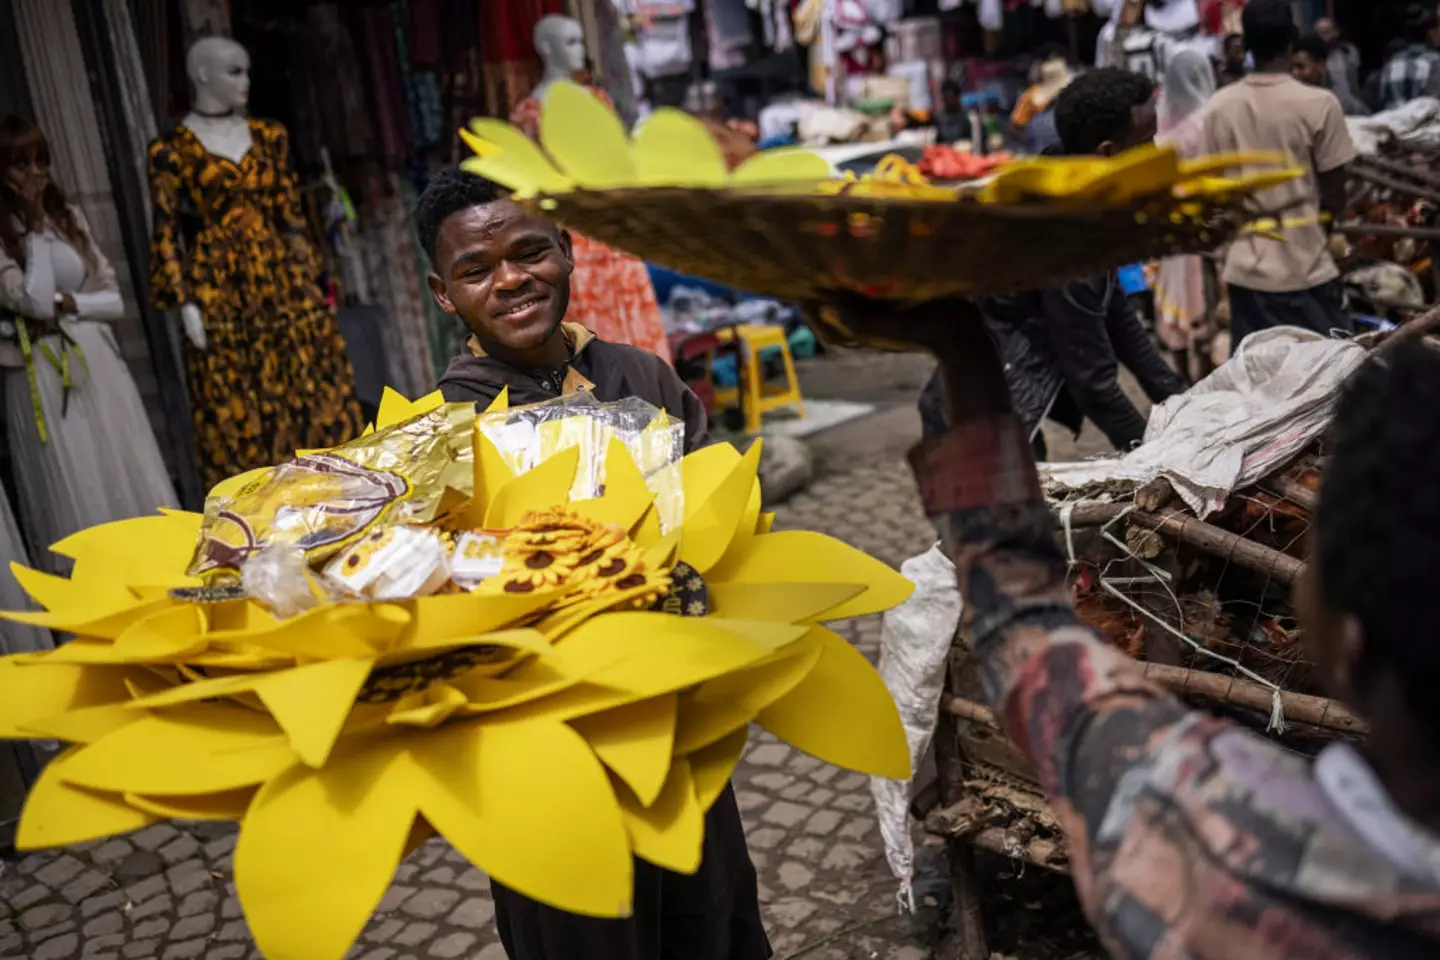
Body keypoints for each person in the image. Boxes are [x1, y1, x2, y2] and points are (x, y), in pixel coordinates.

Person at [415, 167, 765, 960]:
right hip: (541, 753)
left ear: (569, 252)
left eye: (529, 252)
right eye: (477, 269)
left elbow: (717, 514)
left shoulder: (643, 379)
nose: (510, 280)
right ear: (445, 294)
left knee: (707, 914)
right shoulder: (441, 433)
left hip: (671, 721)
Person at [920, 68, 1186, 457]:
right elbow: (1093, 384)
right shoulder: (1065, 233)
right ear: (1108, 153)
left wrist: (1181, 398)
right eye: (1147, 141)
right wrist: (1159, 458)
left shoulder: (1078, 191)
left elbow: (1115, 315)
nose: (1157, 152)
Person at [0, 115, 177, 573]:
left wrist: (68, 302)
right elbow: (32, 301)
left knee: (122, 464)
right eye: (21, 165)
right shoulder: (9, 235)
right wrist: (34, 228)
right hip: (42, 369)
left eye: (42, 161)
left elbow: (113, 297)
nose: (36, 173)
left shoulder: (68, 216)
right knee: (78, 477)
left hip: (95, 358)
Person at [1202, 0, 1354, 345]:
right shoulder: (1320, 104)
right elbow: (1334, 193)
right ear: (1292, 40)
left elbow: (1213, 195)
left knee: (1258, 388)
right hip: (1308, 272)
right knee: (1332, 383)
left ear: (1246, 43)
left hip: (1246, 277)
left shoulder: (1218, 108)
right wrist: (1317, 235)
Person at [1154, 48, 1219, 379]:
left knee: (1175, 294)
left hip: (1171, 224)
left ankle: (1179, 375)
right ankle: (1205, 372)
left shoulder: (1163, 123)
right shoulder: (1208, 119)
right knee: (1203, 297)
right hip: (1204, 223)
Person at [1380, 4, 1440, 109]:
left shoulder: (1391, 64)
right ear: (1431, 33)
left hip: (1393, 124)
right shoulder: (1436, 63)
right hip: (1426, 124)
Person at [1314, 17, 1369, 115]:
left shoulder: (1349, 52)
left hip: (1352, 104)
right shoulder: (1314, 56)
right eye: (1320, 33)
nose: (1324, 36)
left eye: (1327, 31)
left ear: (1336, 32)